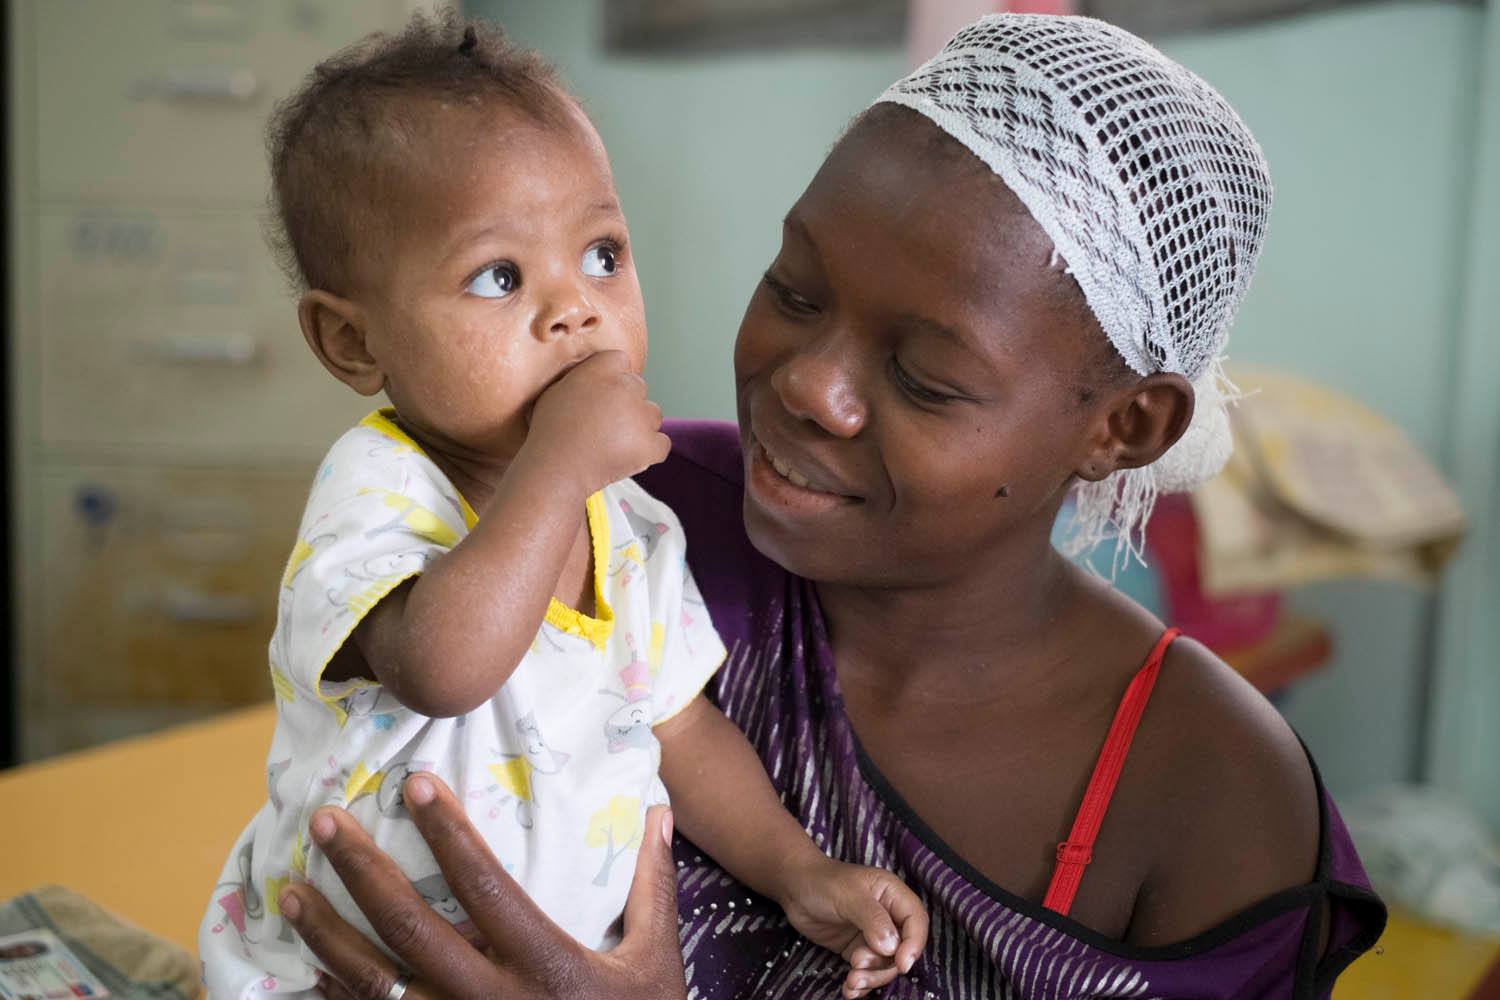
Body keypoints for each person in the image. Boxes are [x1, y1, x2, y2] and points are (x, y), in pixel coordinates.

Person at [275, 14, 1388, 999]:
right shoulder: (632, 510)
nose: (808, 385)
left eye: (924, 376)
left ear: (1124, 427)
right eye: (795, 291)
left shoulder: (1211, 790)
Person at [199, 13, 928, 998]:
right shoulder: (378, 485)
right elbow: (444, 666)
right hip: (337, 970)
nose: (575, 308)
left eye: (602, 254)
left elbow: (681, 730)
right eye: (499, 276)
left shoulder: (630, 523)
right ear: (352, 345)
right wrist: (555, 468)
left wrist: (798, 872)